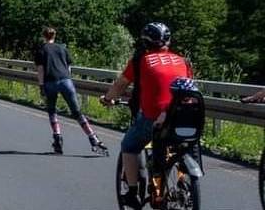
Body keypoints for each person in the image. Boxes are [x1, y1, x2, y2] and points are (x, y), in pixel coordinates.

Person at [101, 22, 192, 210]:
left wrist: (107, 99)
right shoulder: (182, 60)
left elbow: (120, 85)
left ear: (145, 42)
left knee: (129, 145)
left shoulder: (141, 61)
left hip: (154, 118)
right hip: (185, 115)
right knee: (176, 146)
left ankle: (133, 193)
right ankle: (181, 181)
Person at [33, 27, 106, 155]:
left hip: (50, 81)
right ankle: (93, 137)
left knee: (52, 110)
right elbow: (69, 67)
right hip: (66, 80)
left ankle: (57, 138)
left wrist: (41, 86)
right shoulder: (62, 48)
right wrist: (68, 79)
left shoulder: (41, 49)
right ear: (54, 36)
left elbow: (40, 70)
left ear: (43, 36)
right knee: (77, 112)